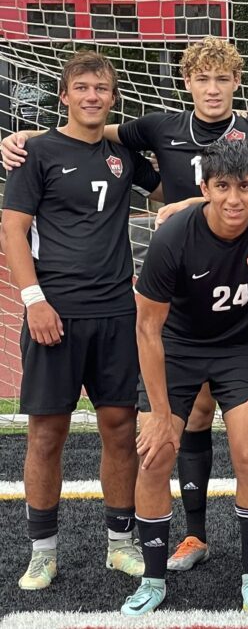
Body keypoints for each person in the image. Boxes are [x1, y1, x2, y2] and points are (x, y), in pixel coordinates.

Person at [2, 36, 248, 574]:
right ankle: (190, 535)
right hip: (172, 301)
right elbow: (94, 134)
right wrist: (27, 136)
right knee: (182, 417)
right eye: (202, 78)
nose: (212, 89)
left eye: (222, 78)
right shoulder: (156, 129)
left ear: (238, 82)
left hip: (243, 297)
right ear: (186, 82)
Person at [1, 51, 160, 590]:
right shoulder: (36, 152)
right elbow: (13, 230)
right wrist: (33, 299)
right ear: (64, 96)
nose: (93, 96)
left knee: (120, 428)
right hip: (56, 313)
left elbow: (174, 186)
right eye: (83, 88)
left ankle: (120, 543)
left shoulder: (122, 154)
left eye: (103, 88)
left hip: (117, 311)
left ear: (113, 98)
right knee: (48, 433)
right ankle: (42, 552)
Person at [123, 140, 248, 615]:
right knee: (155, 456)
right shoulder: (174, 236)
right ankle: (153, 581)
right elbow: (147, 328)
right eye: (222, 187)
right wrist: (158, 414)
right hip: (177, 348)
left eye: (245, 187)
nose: (234, 199)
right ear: (205, 187)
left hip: (241, 350)